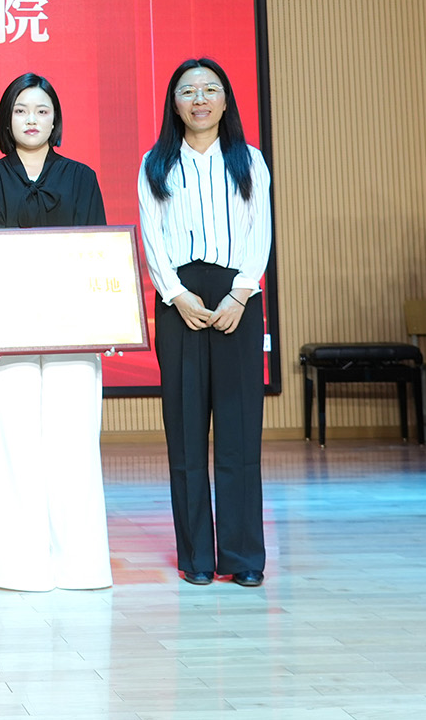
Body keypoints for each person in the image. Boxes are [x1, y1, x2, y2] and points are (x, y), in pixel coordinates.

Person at [0, 73, 113, 591]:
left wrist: (103, 319)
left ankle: (80, 565)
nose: (32, 119)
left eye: (42, 110)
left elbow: (98, 256)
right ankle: (16, 567)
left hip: (74, 329)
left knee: (74, 443)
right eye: (21, 110)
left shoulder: (82, 177)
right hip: (7, 332)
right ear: (6, 120)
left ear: (56, 120)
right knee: (11, 443)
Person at [137, 58, 273, 587]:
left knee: (240, 432)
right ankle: (195, 556)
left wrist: (241, 293)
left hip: (239, 295)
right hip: (179, 301)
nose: (199, 99)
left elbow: (259, 231)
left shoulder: (249, 160)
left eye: (210, 89)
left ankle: (243, 557)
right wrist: (175, 294)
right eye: (188, 91)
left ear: (225, 100)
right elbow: (152, 236)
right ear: (174, 103)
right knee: (187, 432)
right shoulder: (155, 163)